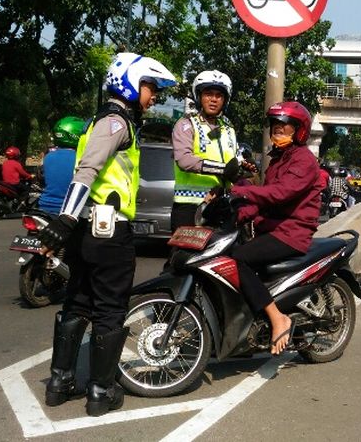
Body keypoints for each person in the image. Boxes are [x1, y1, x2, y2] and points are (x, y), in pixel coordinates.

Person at [37, 52, 176, 417]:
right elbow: (88, 170)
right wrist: (65, 218)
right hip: (108, 231)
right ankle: (100, 391)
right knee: (110, 309)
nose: (154, 96)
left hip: (89, 229)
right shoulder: (116, 124)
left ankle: (59, 383)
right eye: (150, 87)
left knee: (77, 303)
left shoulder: (101, 120)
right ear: (130, 83)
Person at [229, 101, 324, 355]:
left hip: (291, 233)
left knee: (239, 260)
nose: (278, 131)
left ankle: (277, 318)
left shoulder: (303, 159)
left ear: (299, 130)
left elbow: (280, 194)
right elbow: (263, 202)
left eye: (285, 127)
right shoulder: (277, 161)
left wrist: (245, 191)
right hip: (271, 228)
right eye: (275, 126)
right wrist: (239, 210)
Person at [171, 70, 239, 231]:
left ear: (225, 100)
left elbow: (235, 162)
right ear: (199, 96)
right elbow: (184, 159)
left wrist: (245, 169)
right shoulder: (186, 124)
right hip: (190, 206)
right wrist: (223, 169)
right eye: (208, 94)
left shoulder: (229, 129)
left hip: (221, 205)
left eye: (219, 95)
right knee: (184, 256)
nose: (214, 99)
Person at [37, 116, 85, 215]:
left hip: (44, 206)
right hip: (68, 210)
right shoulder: (81, 159)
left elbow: (41, 178)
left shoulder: (48, 157)